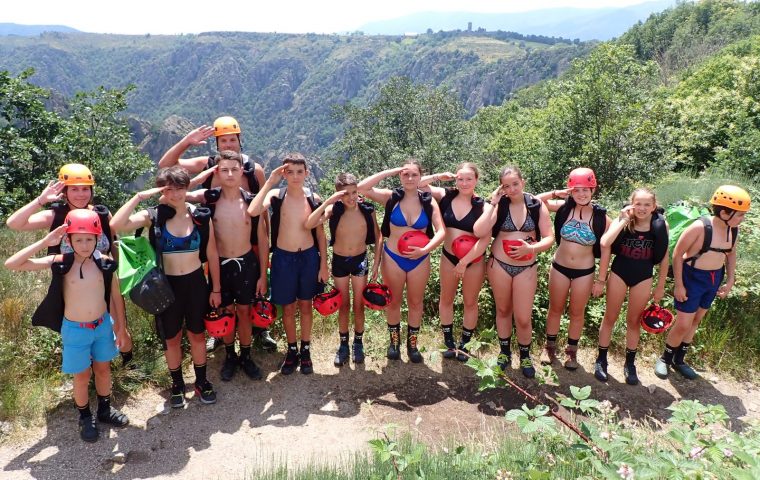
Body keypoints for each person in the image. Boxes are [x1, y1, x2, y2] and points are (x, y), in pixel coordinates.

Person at [5, 210, 129, 442]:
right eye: (78, 239)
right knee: (81, 376)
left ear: (97, 239)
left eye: (89, 239)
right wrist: (45, 242)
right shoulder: (61, 262)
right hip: (75, 330)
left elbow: (116, 295)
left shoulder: (105, 263)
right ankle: (84, 417)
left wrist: (121, 327)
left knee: (103, 369)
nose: (84, 244)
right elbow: (12, 264)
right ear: (68, 240)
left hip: (102, 325)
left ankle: (104, 409)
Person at [159, 116, 276, 350]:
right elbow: (166, 166)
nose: (228, 145)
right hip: (213, 242)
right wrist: (187, 142)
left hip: (248, 238)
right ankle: (221, 333)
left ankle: (260, 330)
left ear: (240, 141)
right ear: (217, 144)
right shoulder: (208, 165)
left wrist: (268, 241)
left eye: (232, 140)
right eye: (223, 141)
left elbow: (262, 210)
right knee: (220, 294)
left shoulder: (254, 170)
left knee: (252, 293)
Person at [111, 166, 222, 407]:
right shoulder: (153, 215)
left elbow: (212, 254)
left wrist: (216, 289)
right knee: (172, 338)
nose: (175, 194)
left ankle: (201, 382)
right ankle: (177, 385)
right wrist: (140, 197)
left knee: (197, 334)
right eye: (169, 189)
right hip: (166, 286)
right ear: (162, 191)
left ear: (187, 187)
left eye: (180, 188)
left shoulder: (200, 216)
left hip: (195, 284)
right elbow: (117, 225)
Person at [5, 163, 134, 365]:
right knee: (82, 333)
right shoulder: (55, 216)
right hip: (70, 288)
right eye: (74, 189)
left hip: (104, 282)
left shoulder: (101, 214)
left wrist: (120, 274)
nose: (80, 194)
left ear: (91, 190)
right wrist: (41, 200)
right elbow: (13, 224)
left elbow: (113, 244)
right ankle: (89, 370)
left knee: (119, 327)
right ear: (65, 192)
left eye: (85, 189)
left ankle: (126, 359)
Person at [655, 185, 751, 380]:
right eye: (739, 215)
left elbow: (730, 254)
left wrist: (731, 279)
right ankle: (665, 358)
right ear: (724, 212)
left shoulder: (733, 230)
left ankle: (679, 359)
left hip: (714, 278)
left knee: (696, 320)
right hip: (692, 277)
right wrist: (679, 285)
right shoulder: (700, 227)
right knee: (683, 323)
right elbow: (677, 255)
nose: (742, 219)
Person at [247, 153, 328, 375]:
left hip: (309, 257)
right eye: (289, 172)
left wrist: (324, 265)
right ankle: (292, 351)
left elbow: (321, 235)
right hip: (283, 258)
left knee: (306, 305)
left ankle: (306, 350)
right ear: (283, 173)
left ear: (306, 173)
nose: (294, 176)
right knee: (289, 308)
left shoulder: (314, 198)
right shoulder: (276, 195)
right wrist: (271, 181)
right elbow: (253, 210)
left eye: (299, 172)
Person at [357, 160, 446, 363]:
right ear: (400, 176)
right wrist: (393, 170)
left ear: (420, 177)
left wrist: (425, 249)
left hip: (420, 259)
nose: (410, 178)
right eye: (405, 174)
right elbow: (362, 187)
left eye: (414, 175)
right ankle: (394, 343)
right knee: (394, 301)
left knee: (416, 302)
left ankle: (412, 345)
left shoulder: (428, 201)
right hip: (393, 257)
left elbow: (442, 231)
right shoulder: (391, 197)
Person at [473, 166, 554, 377]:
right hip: (499, 264)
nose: (512, 189)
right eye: (506, 186)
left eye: (515, 184)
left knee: (523, 317)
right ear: (501, 187)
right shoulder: (499, 205)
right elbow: (479, 231)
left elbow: (549, 238)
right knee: (502, 311)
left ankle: (525, 355)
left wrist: (531, 248)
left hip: (526, 267)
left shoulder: (536, 205)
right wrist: (493, 202)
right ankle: (505, 352)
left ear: (523, 182)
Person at [198, 151, 269, 381]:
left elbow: (263, 239)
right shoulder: (210, 200)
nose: (230, 174)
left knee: (246, 313)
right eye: (224, 169)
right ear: (217, 172)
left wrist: (263, 275)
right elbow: (173, 194)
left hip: (247, 263)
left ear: (242, 172)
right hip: (221, 266)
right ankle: (230, 355)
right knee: (225, 312)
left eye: (234, 169)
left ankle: (246, 356)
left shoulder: (251, 201)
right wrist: (215, 286)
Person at [536, 167, 611, 370]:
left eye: (586, 189)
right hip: (559, 267)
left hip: (584, 272)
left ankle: (571, 351)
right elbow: (534, 201)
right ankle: (549, 347)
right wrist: (555, 193)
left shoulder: (601, 217)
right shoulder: (563, 207)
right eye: (576, 189)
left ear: (593, 190)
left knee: (577, 313)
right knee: (555, 309)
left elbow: (607, 249)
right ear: (570, 190)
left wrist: (601, 280)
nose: (581, 194)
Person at [305, 173, 382, 366]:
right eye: (345, 194)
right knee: (343, 304)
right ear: (338, 195)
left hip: (360, 259)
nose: (351, 197)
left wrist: (376, 263)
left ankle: (358, 343)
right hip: (339, 260)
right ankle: (343, 344)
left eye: (354, 192)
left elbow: (379, 236)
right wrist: (327, 202)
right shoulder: (334, 209)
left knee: (359, 304)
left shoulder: (366, 209)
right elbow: (311, 223)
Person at [595, 188, 669, 385]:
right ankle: (601, 359)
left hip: (643, 276)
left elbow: (664, 258)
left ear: (654, 207)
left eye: (647, 205)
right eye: (638, 204)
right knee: (610, 317)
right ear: (631, 204)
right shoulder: (624, 221)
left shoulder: (660, 225)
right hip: (620, 272)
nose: (642, 208)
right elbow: (605, 243)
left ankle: (630, 363)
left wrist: (660, 286)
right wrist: (624, 221)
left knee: (633, 321)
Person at [418, 163, 489, 363]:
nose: (464, 183)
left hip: (473, 260)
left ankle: (465, 345)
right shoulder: (445, 196)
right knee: (446, 299)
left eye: (469, 179)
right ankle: (449, 342)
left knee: (470, 302)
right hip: (448, 257)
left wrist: (464, 262)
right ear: (455, 179)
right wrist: (439, 175)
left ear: (476, 180)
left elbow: (485, 239)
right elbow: (418, 184)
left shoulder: (482, 205)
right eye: (460, 178)